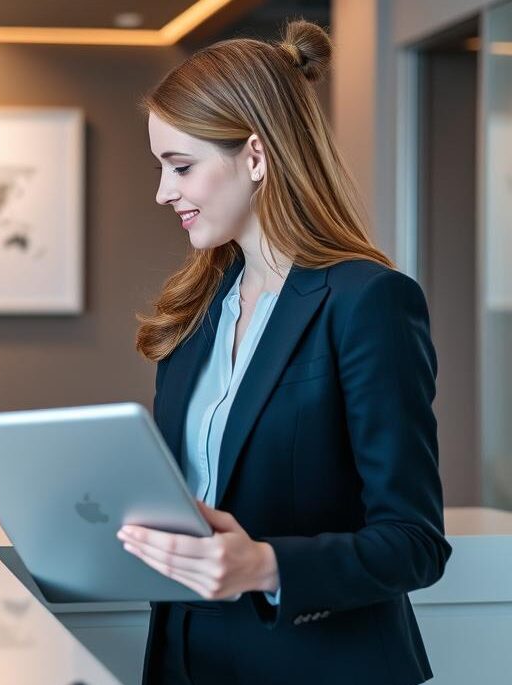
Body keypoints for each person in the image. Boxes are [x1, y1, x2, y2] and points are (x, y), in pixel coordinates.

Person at [119, 20, 451, 685]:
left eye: (180, 165)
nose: (163, 191)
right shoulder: (196, 310)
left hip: (322, 666)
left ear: (256, 155)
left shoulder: (369, 301)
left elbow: (415, 542)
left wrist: (264, 564)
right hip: (187, 660)